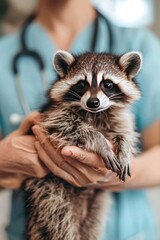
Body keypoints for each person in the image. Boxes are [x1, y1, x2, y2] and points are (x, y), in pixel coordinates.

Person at [0, 0, 160, 239]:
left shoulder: (141, 44)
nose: (94, 98)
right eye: (83, 85)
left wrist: (121, 170)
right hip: (49, 213)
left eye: (107, 86)